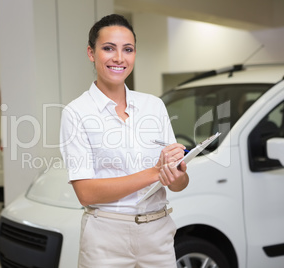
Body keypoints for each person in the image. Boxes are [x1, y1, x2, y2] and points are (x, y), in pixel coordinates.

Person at [60, 14, 189, 268]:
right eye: (109, 48)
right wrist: (155, 172)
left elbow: (179, 183)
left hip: (158, 233)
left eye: (127, 49)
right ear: (91, 53)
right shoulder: (76, 113)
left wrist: (177, 175)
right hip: (105, 239)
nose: (119, 58)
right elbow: (85, 193)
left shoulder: (154, 106)